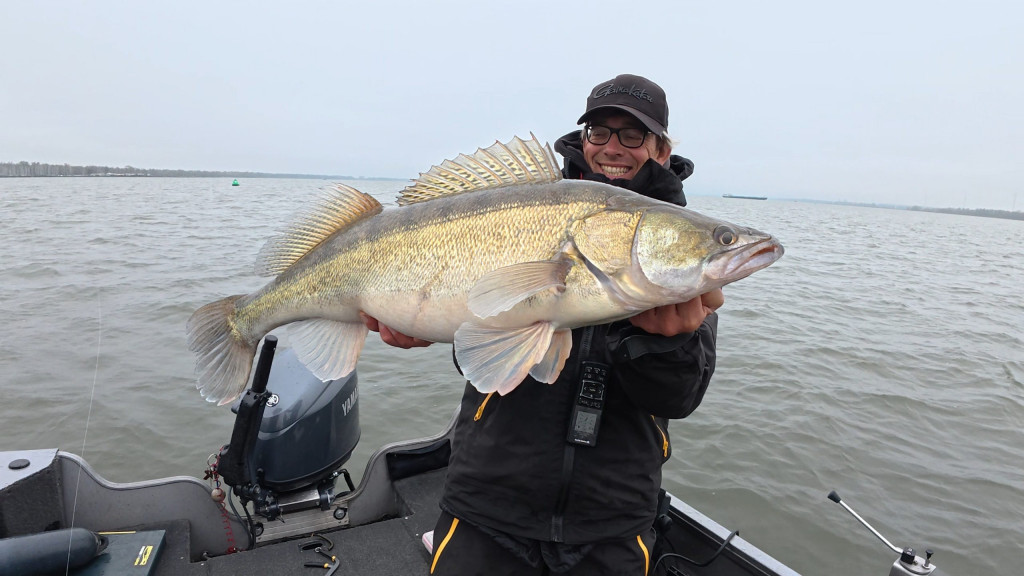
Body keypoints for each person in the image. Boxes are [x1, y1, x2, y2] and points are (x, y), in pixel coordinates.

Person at [363, 74, 723, 575]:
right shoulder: (526, 203)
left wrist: (668, 343)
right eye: (600, 132)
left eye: (633, 135)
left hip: (612, 518)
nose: (613, 147)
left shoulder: (677, 252)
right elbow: (478, 344)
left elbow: (678, 399)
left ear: (662, 150)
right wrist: (416, 318)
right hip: (488, 499)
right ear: (583, 140)